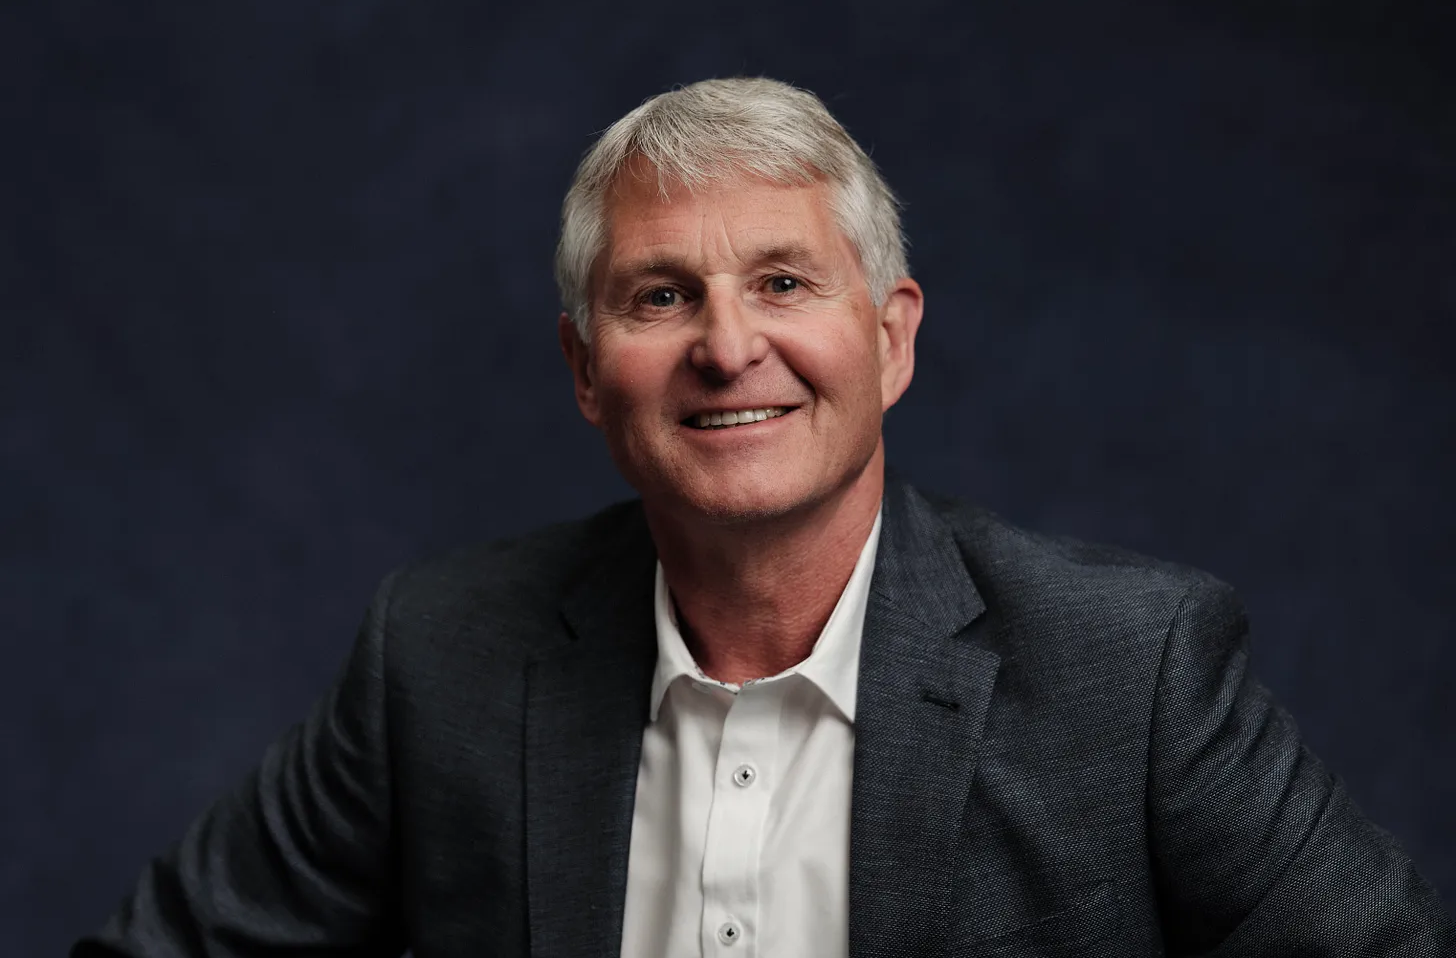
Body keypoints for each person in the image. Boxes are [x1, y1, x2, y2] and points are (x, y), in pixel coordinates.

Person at [74, 76, 1451, 957]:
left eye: (785, 281)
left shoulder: (1130, 665)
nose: (729, 348)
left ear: (892, 339)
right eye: (660, 295)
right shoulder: (442, 654)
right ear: (582, 371)